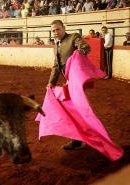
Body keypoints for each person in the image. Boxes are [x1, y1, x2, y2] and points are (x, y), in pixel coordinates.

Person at [47, 20, 90, 150]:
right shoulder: (56, 46)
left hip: (77, 80)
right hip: (69, 81)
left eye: (58, 29)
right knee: (74, 110)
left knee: (74, 110)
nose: (55, 32)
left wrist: (79, 52)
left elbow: (85, 48)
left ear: (63, 28)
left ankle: (78, 139)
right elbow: (56, 66)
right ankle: (80, 137)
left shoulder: (73, 37)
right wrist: (51, 82)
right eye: (53, 30)